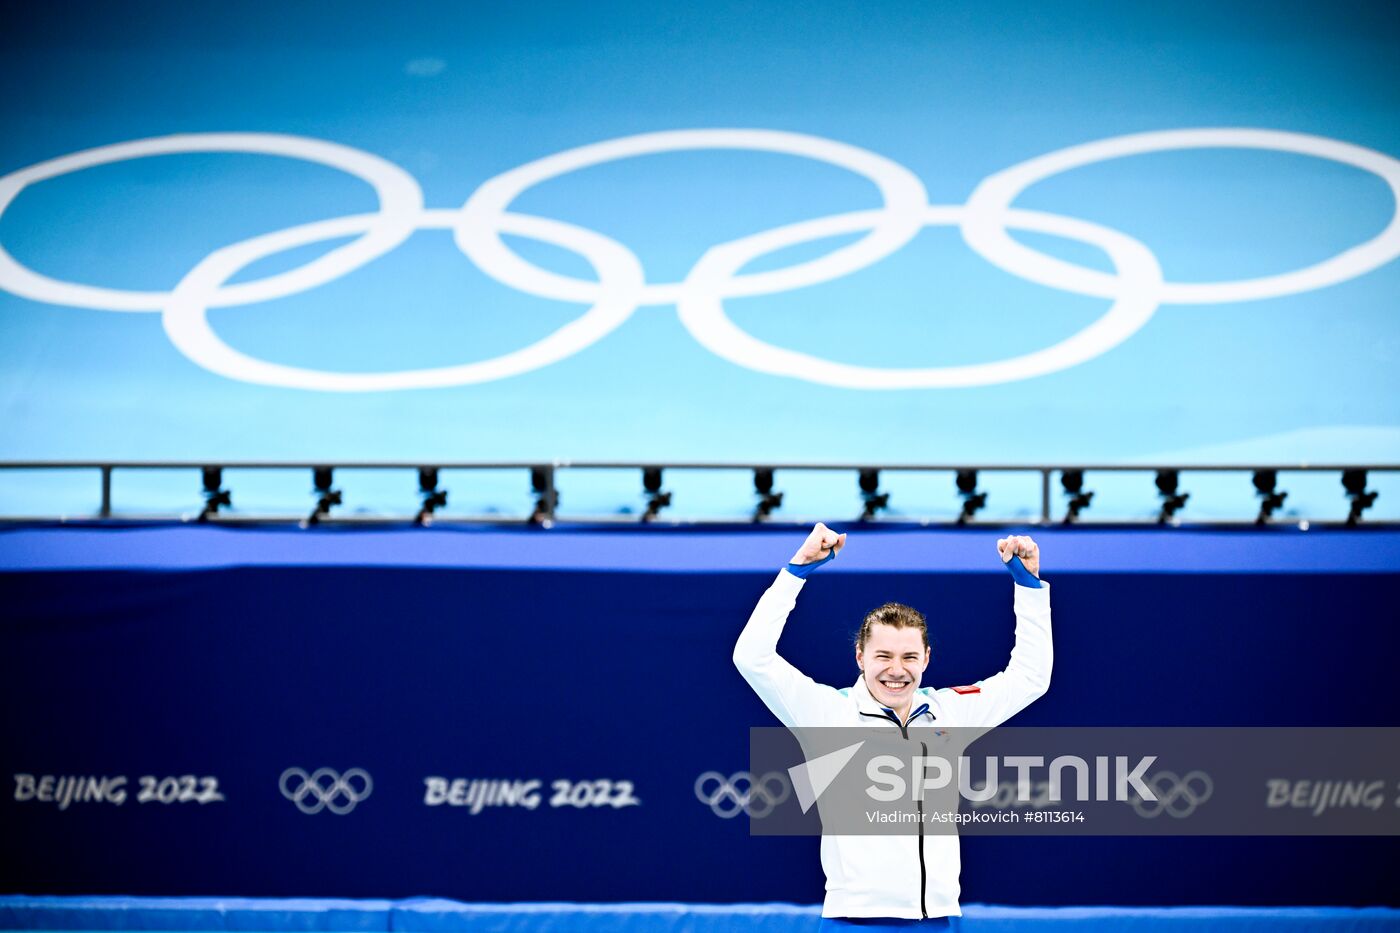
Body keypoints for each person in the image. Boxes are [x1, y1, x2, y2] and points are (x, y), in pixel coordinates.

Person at [732, 524, 1052, 927]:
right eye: (882, 655)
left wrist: (1030, 589)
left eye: (909, 657)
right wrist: (797, 571)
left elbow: (1030, 679)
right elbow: (751, 657)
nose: (896, 670)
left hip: (937, 919)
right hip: (855, 921)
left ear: (927, 659)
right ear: (860, 657)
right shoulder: (828, 714)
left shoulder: (948, 712)